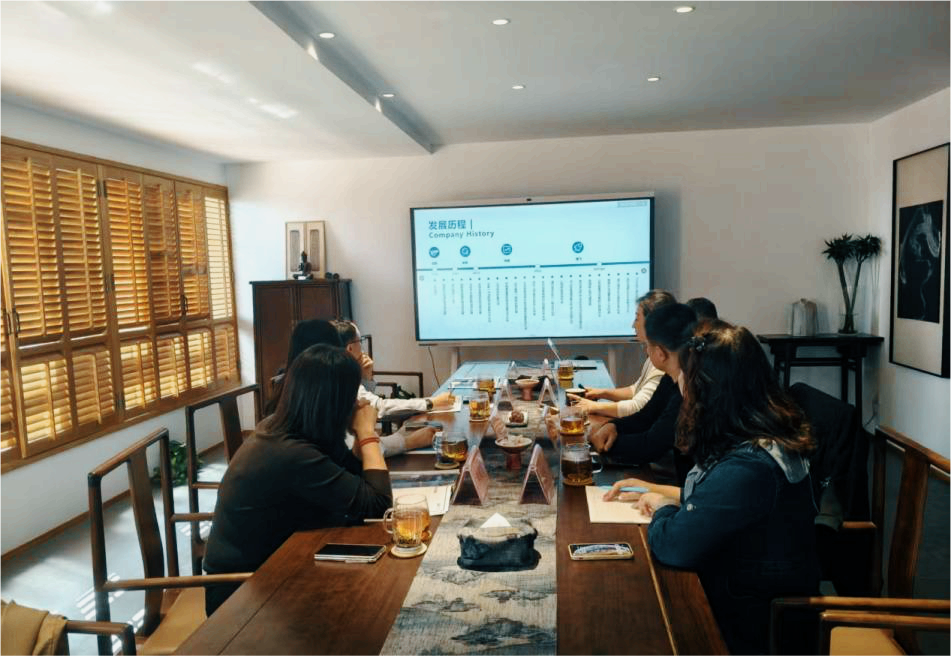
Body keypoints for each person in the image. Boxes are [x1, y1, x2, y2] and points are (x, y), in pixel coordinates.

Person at [603, 321, 819, 656]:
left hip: (750, 625)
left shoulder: (748, 467)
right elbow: (718, 502)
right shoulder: (763, 436)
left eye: (686, 383)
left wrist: (663, 508)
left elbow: (673, 545)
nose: (683, 393)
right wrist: (661, 493)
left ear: (710, 393)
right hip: (757, 601)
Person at [203, 344, 392, 615]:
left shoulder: (294, 429)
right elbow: (379, 506)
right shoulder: (289, 452)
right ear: (334, 401)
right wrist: (366, 431)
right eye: (353, 394)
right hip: (242, 593)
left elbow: (353, 480)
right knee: (373, 602)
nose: (357, 403)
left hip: (282, 565)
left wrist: (360, 440)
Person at [588, 303, 696, 468]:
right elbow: (645, 417)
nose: (646, 351)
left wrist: (599, 442)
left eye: (647, 346)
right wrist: (613, 426)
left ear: (660, 353)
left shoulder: (687, 390)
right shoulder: (671, 378)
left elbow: (650, 446)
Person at [568, 290, 676, 419]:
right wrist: (601, 393)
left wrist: (592, 406)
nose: (633, 325)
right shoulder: (655, 353)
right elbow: (636, 390)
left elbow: (638, 407)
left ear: (652, 322)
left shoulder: (662, 361)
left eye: (637, 318)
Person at [332, 320, 455, 421]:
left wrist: (366, 377)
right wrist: (431, 403)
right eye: (360, 341)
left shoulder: (337, 371)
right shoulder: (342, 380)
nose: (362, 347)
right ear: (350, 348)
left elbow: (365, 405)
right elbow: (378, 407)